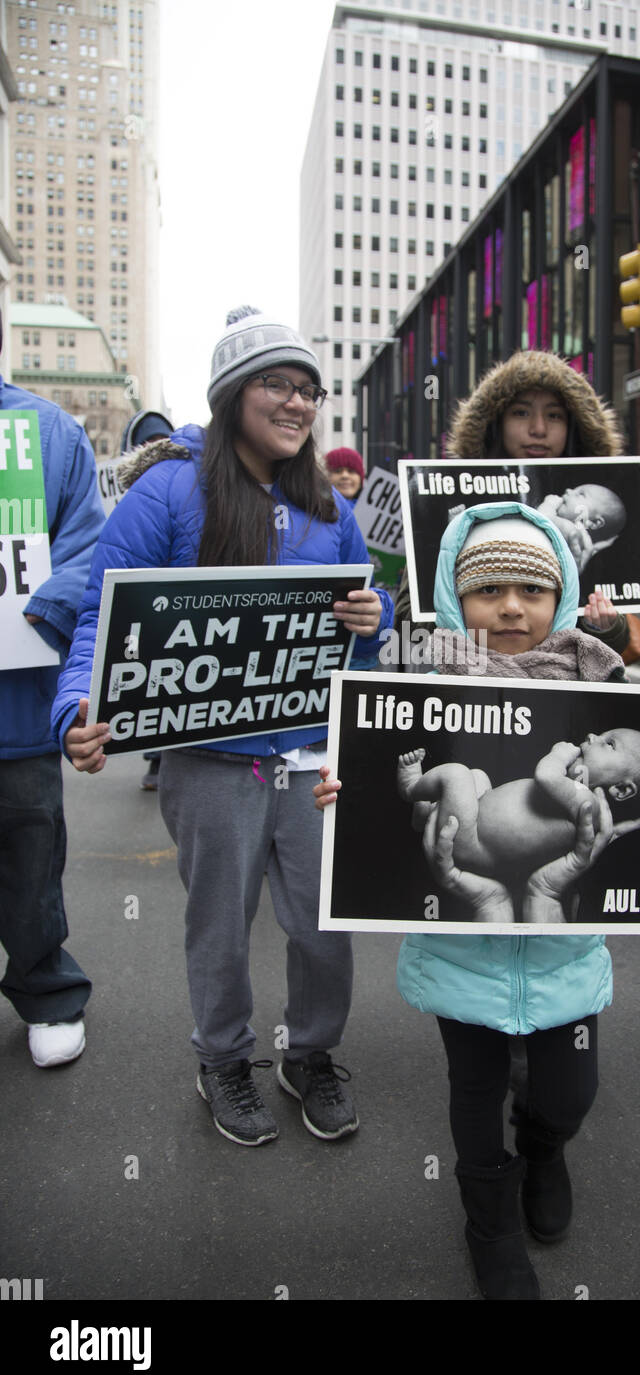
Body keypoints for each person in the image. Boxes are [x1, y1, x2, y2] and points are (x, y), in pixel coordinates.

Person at [316, 501, 640, 1299]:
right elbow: (371, 781)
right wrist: (349, 792)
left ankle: (546, 1147)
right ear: (454, 595)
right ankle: (489, 1220)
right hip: (464, 941)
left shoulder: (605, 688)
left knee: (570, 1092)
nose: (510, 608)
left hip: (561, 940)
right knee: (475, 1091)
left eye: (532, 591)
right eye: (488, 590)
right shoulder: (418, 675)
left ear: (562, 594)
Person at [51, 308, 394, 1146]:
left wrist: (371, 614)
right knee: (220, 927)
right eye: (278, 383)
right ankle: (225, 1061)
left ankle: (309, 1055)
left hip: (313, 758)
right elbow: (105, 616)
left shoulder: (325, 502)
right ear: (234, 392)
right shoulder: (168, 492)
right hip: (210, 763)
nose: (298, 403)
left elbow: (370, 621)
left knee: (322, 925)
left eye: (309, 390)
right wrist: (75, 710)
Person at [0, 341, 105, 1067]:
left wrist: (41, 609)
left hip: (17, 705)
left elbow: (89, 548)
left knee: (31, 858)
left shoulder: (50, 434)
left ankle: (46, 990)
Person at [394, 350, 631, 655]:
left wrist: (607, 626)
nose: (539, 429)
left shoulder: (591, 515)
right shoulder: (447, 494)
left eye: (554, 415)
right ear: (496, 421)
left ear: (573, 425)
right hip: (469, 688)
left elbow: (613, 646)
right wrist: (463, 617)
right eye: (521, 413)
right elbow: (408, 624)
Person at [396, 729, 640, 881]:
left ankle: (412, 789)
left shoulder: (586, 801)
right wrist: (627, 824)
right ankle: (426, 813)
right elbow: (610, 833)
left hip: (473, 844)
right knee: (476, 776)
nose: (591, 736)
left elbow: (545, 775)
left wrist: (558, 754)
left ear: (621, 789)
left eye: (609, 744)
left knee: (456, 774)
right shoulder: (589, 810)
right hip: (476, 824)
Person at [118, 408, 175, 791]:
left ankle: (163, 752)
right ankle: (155, 755)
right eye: (147, 442)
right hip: (145, 613)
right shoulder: (134, 504)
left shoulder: (185, 490)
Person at [538, 483, 626, 574]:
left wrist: (549, 504)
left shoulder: (570, 529)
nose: (568, 490)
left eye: (581, 494)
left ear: (594, 522)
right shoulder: (583, 545)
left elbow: (541, 518)